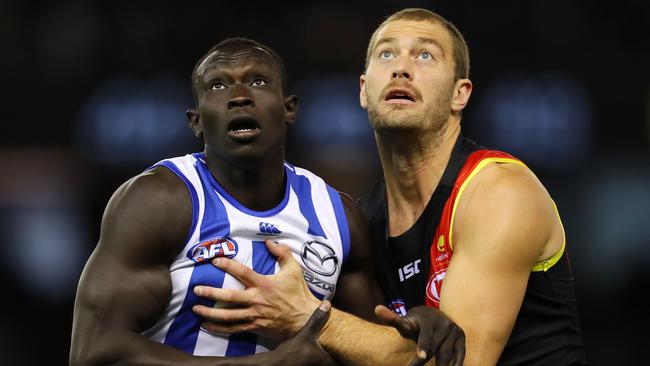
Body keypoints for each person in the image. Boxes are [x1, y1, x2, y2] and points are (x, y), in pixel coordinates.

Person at [194, 8, 589, 366]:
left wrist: (308, 317)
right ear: (364, 90)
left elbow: (459, 363)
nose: (401, 68)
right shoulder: (361, 218)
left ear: (459, 94)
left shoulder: (498, 192)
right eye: (386, 54)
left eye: (424, 55)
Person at [70, 37, 464, 366]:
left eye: (257, 82)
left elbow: (366, 346)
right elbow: (95, 352)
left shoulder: (337, 217)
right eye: (218, 86)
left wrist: (417, 323)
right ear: (195, 120)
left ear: (289, 109)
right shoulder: (160, 201)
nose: (239, 97)